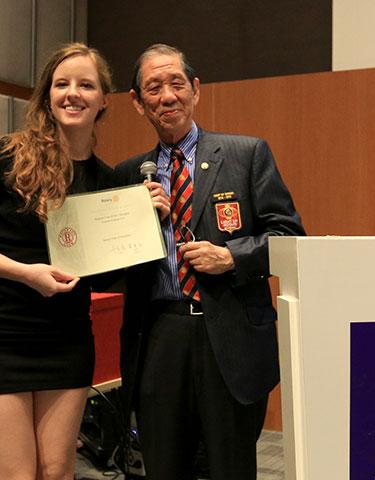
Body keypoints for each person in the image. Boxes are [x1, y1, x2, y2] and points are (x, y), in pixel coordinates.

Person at [116, 43, 306, 480]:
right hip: (160, 334)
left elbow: (290, 236)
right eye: (154, 88)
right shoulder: (129, 175)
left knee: (230, 466)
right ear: (137, 102)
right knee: (164, 465)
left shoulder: (245, 154)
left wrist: (231, 257)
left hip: (230, 335)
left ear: (196, 90)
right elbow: (115, 264)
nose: (167, 96)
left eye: (177, 84)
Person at [0, 43, 126, 480]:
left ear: (104, 101)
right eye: (61, 84)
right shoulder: (9, 155)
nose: (72, 93)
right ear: (47, 95)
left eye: (86, 84)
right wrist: (26, 274)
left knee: (57, 470)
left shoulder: (109, 182)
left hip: (67, 339)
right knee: (18, 475)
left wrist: (147, 221)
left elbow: (114, 272)